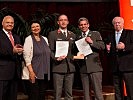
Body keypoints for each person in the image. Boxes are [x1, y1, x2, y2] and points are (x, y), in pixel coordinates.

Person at [76, 17, 105, 100]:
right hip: (83, 68)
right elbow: (76, 51)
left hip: (95, 67)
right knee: (86, 94)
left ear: (88, 25)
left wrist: (92, 42)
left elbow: (102, 46)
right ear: (79, 26)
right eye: (81, 25)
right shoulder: (77, 37)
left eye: (85, 24)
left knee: (98, 93)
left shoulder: (95, 34)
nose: (83, 26)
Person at [48, 14, 76, 100]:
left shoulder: (72, 35)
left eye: (65, 20)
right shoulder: (53, 34)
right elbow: (50, 51)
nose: (63, 22)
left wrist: (78, 56)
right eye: (61, 20)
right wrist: (56, 58)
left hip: (70, 67)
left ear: (68, 22)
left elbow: (74, 51)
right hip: (58, 67)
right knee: (57, 94)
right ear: (58, 22)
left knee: (69, 94)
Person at [106, 16, 133, 100]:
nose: (117, 24)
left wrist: (125, 46)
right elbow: (107, 49)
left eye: (119, 22)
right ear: (113, 25)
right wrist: (107, 49)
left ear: (123, 23)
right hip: (115, 66)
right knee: (117, 89)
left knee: (130, 89)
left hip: (127, 66)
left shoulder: (130, 33)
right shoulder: (109, 35)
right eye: (115, 23)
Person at [23, 20, 51, 100]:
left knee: (42, 96)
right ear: (31, 29)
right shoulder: (28, 39)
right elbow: (26, 57)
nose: (35, 28)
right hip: (34, 73)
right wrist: (31, 72)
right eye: (33, 27)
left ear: (40, 27)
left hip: (44, 73)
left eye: (37, 26)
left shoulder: (45, 39)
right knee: (34, 96)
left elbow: (48, 53)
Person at [0, 15, 23, 100]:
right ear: (2, 23)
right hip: (2, 73)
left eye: (12, 23)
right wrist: (12, 51)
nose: (10, 24)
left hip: (15, 74)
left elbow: (17, 52)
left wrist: (20, 53)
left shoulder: (16, 36)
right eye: (8, 22)